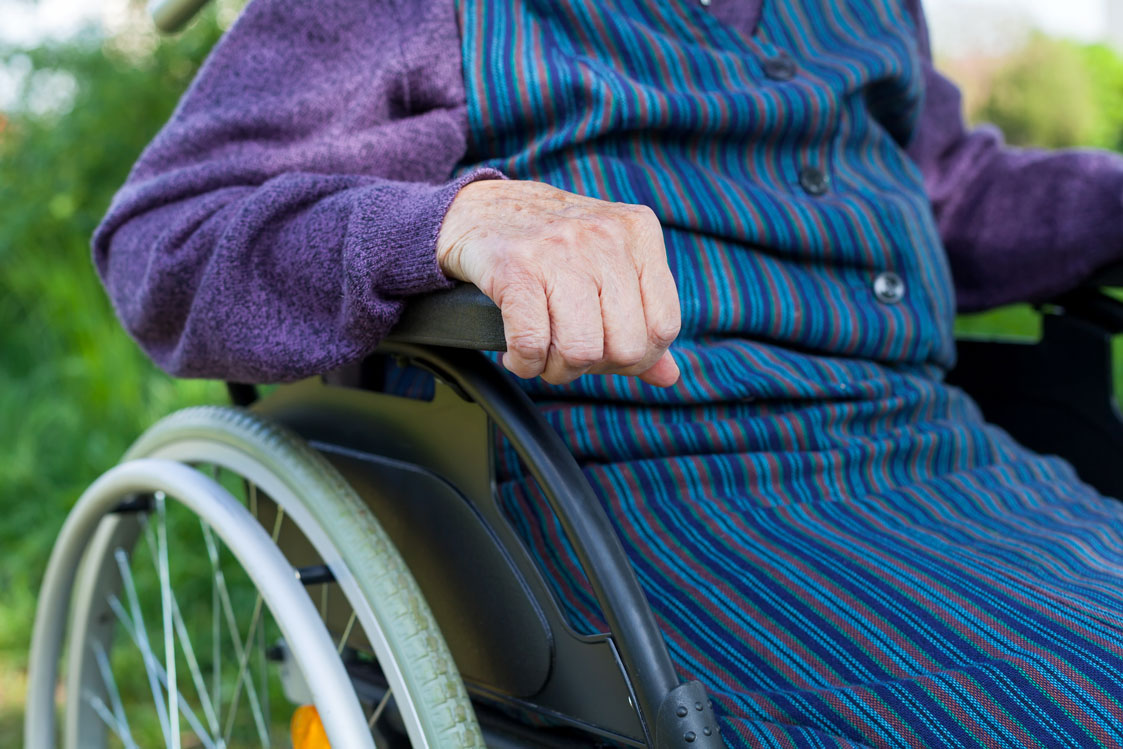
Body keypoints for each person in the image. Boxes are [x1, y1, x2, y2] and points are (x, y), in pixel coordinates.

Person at [93, 0, 1123, 745]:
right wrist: (451, 222)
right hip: (630, 504)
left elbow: (935, 191)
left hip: (947, 463)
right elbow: (162, 241)